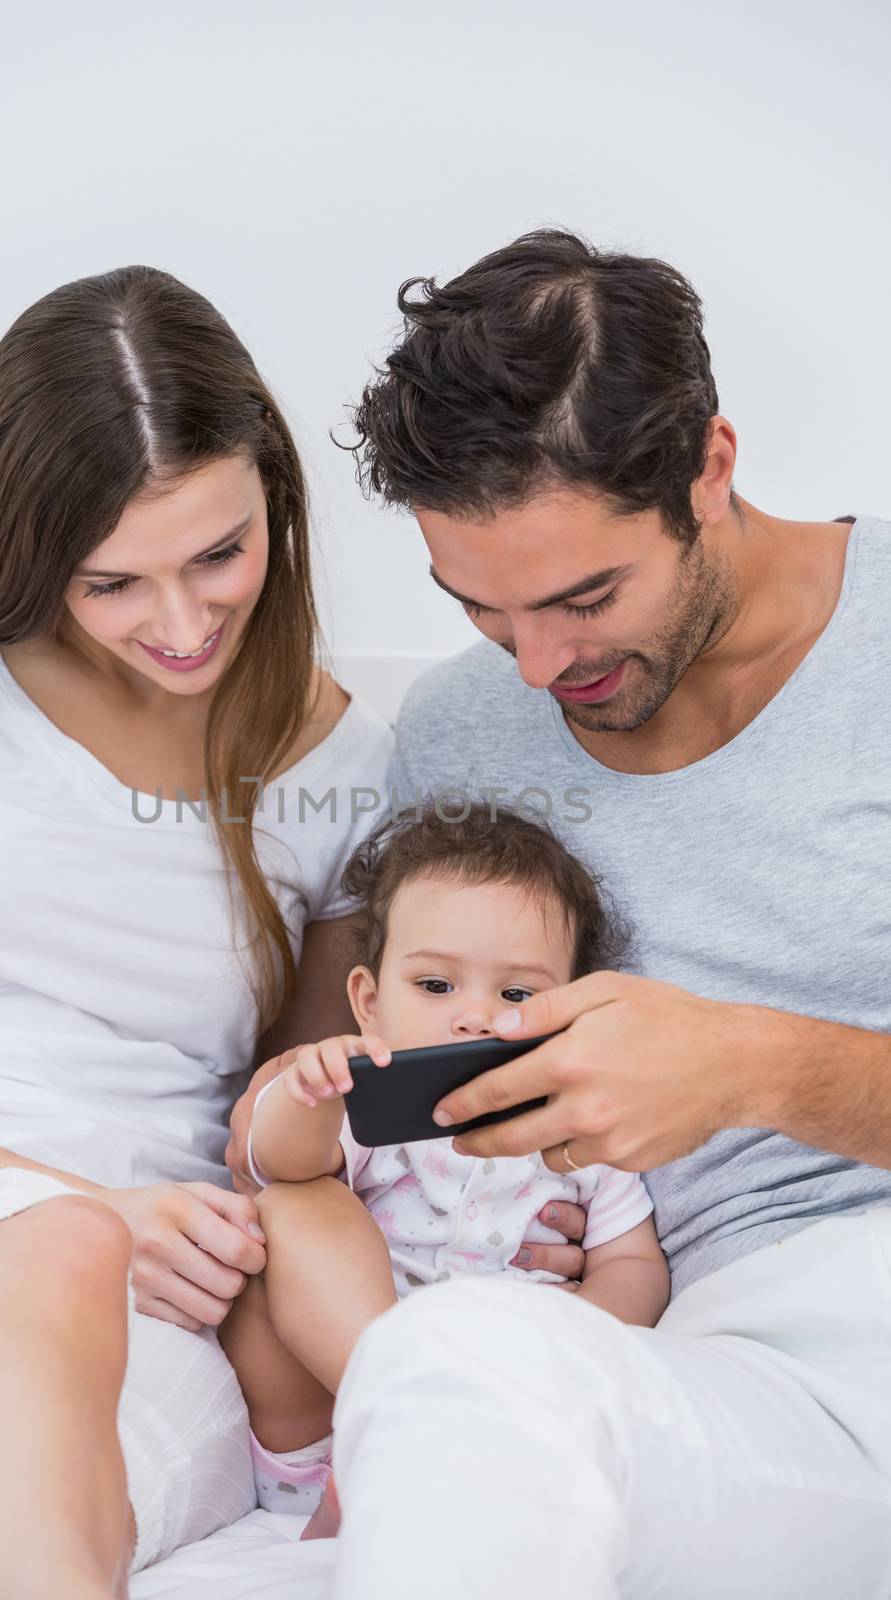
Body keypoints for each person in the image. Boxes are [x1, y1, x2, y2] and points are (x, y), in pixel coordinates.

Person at [227, 230, 891, 1597]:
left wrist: (751, 1068)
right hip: (665, 1367)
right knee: (458, 1366)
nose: (535, 667)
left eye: (584, 598)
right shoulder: (455, 733)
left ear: (709, 468)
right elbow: (324, 1098)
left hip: (855, 1300)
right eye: (477, 608)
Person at [0, 264, 411, 1600]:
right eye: (113, 584)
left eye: (219, 554)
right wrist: (71, 1209)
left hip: (161, 1302)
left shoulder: (340, 764)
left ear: (275, 495)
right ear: (36, 550)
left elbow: (298, 1137)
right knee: (53, 1252)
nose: (184, 623)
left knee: (53, 1488)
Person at [218, 803, 669, 1542]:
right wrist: (309, 1090)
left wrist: (573, 1338)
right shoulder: (363, 1105)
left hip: (499, 1406)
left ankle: (431, 1437)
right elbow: (276, 1162)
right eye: (435, 986)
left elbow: (631, 1261)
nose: (471, 1017)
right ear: (368, 1002)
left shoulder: (575, 1128)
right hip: (325, 1415)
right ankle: (401, 1407)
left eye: (516, 995)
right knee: (295, 1205)